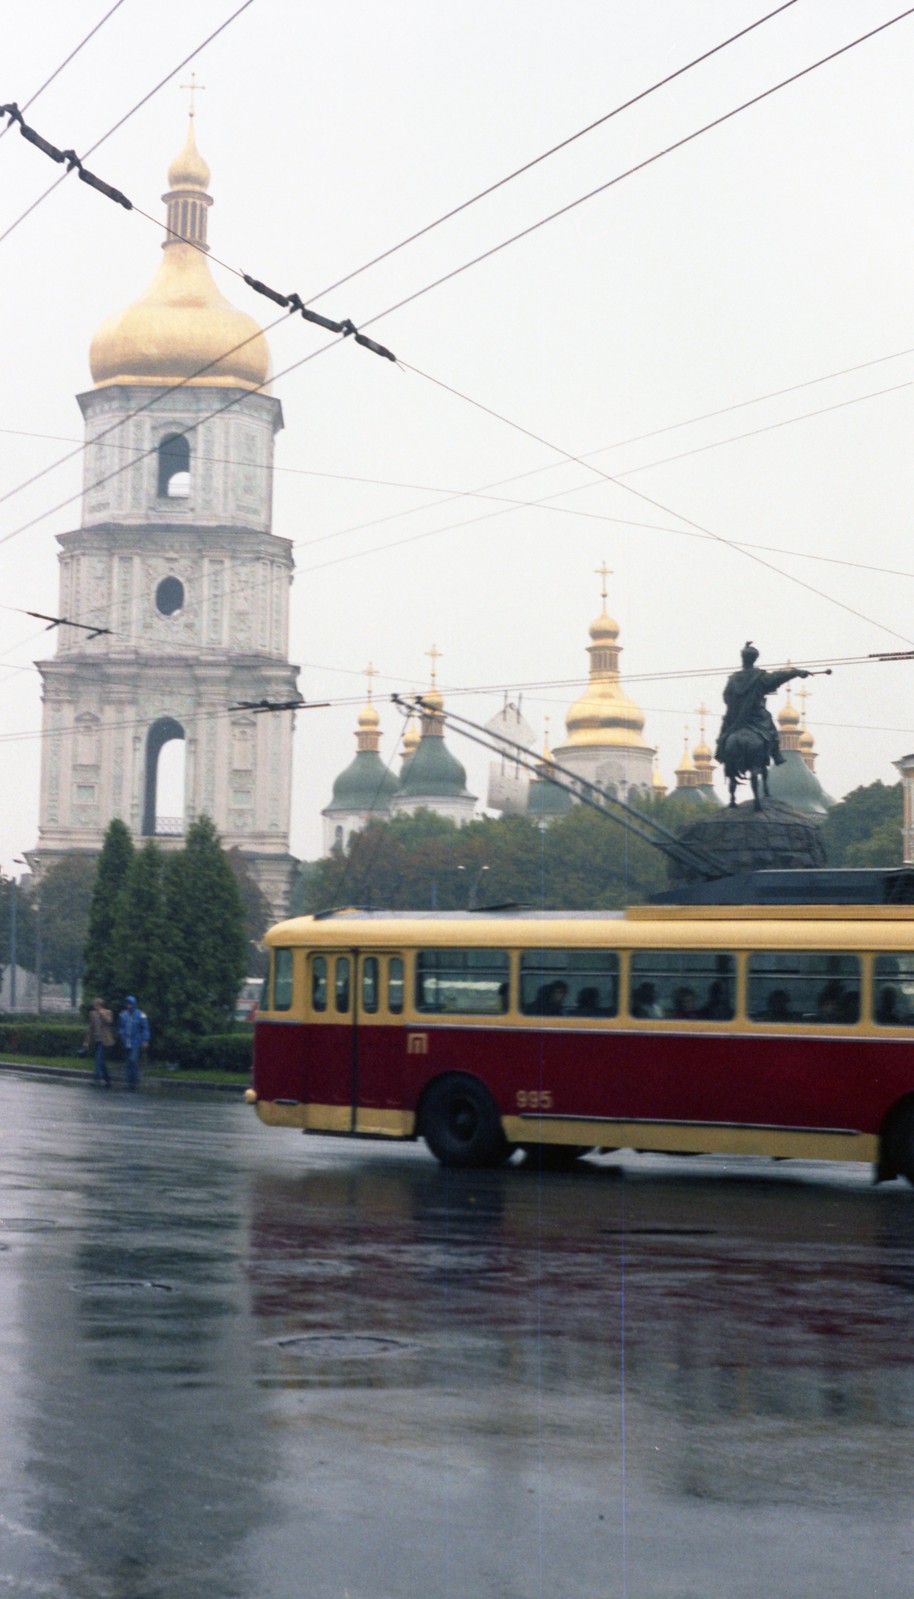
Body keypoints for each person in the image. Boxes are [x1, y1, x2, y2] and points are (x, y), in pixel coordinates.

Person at [715, 643, 810, 767]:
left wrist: (736, 705)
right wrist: (797, 672)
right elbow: (778, 677)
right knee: (772, 731)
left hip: (736, 716)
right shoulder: (760, 677)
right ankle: (776, 755)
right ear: (754, 659)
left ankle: (720, 752)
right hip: (756, 714)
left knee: (724, 732)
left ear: (743, 659)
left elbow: (726, 696)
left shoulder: (734, 678)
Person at [118, 995, 150, 1090]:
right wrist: (121, 1034)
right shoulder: (123, 1014)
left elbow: (145, 1029)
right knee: (128, 1062)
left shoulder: (141, 1015)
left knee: (133, 1060)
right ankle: (130, 1083)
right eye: (127, 1004)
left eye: (130, 1004)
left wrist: (145, 1040)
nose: (129, 1006)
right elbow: (120, 1026)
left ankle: (135, 1079)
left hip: (136, 1042)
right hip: (126, 1042)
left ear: (134, 1004)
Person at [85, 996, 114, 1089]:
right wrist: (86, 1042)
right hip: (97, 1040)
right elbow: (90, 1028)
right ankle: (108, 1080)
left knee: (98, 1059)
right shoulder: (92, 1014)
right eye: (95, 1006)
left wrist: (102, 1014)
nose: (96, 1008)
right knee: (102, 1062)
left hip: (105, 1040)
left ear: (101, 1006)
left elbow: (109, 1021)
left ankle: (95, 1079)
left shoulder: (108, 1012)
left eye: (97, 1006)